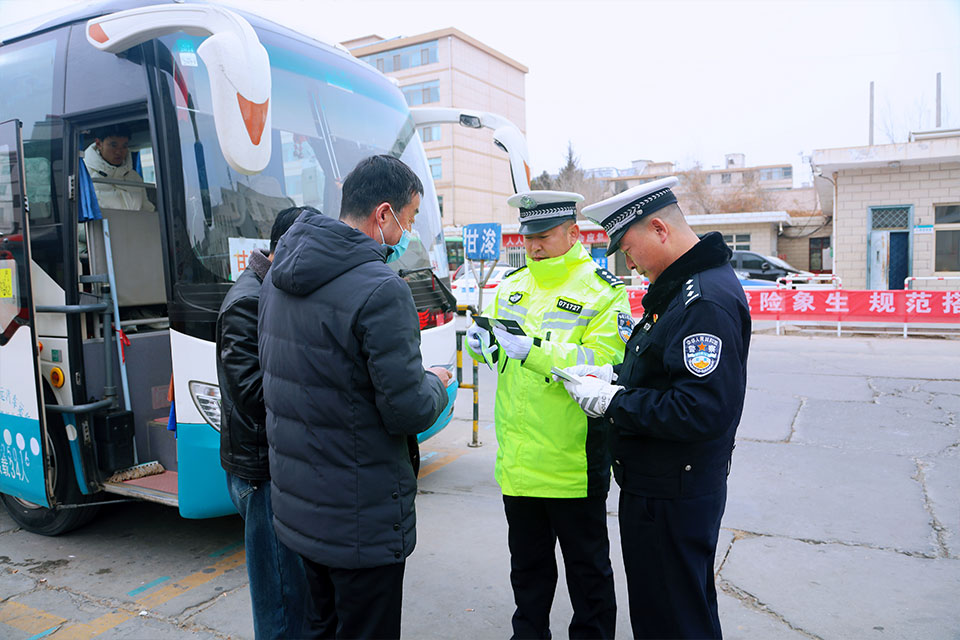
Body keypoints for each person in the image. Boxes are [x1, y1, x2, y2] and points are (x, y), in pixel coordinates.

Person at [257, 154, 452, 640]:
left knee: (319, 626)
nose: (408, 233)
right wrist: (436, 381)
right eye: (409, 219)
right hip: (360, 521)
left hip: (301, 512)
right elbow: (407, 408)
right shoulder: (381, 289)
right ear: (383, 215)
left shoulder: (277, 278)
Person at [559, 177, 751, 639]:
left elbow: (700, 408)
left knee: (673, 620)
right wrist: (613, 377)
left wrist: (614, 401)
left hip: (673, 492)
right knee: (672, 610)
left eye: (628, 249)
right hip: (661, 485)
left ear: (660, 230)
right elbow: (662, 371)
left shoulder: (703, 301)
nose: (629, 263)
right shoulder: (680, 290)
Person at [465, 191, 632, 640]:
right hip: (518, 462)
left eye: (544, 236)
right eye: (528, 237)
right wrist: (481, 346)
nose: (534, 246)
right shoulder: (512, 285)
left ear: (573, 233)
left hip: (571, 464)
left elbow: (606, 362)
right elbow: (499, 346)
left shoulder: (603, 291)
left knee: (587, 574)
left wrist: (535, 351)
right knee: (527, 572)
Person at [215, 206, 308, 639]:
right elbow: (250, 393)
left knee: (294, 590)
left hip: (277, 464)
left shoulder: (273, 290)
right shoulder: (247, 301)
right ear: (288, 248)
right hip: (260, 473)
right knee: (279, 601)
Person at [82, 124, 155, 211]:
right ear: (99, 144)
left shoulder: (134, 177)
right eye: (113, 145)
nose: (119, 152)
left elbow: (147, 209)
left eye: (124, 146)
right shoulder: (84, 175)